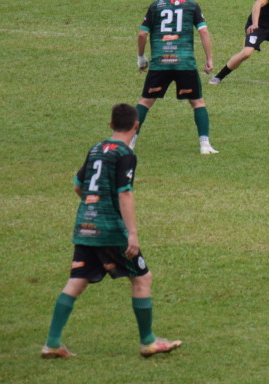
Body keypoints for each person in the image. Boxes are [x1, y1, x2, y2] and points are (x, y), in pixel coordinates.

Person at [40, 103, 182, 360]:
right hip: (110, 230)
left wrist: (93, 206)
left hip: (85, 225)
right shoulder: (125, 153)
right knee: (142, 278)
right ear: (136, 126)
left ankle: (52, 343)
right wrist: (132, 233)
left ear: (110, 125)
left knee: (77, 281)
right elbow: (124, 192)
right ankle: (148, 341)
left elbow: (77, 185)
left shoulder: (96, 149)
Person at [135, 0, 216, 154]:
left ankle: (129, 142)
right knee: (197, 102)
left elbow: (142, 34)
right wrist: (209, 59)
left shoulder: (156, 6)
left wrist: (141, 57)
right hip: (184, 62)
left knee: (145, 102)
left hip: (160, 62)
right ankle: (205, 145)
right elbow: (203, 32)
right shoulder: (191, 6)